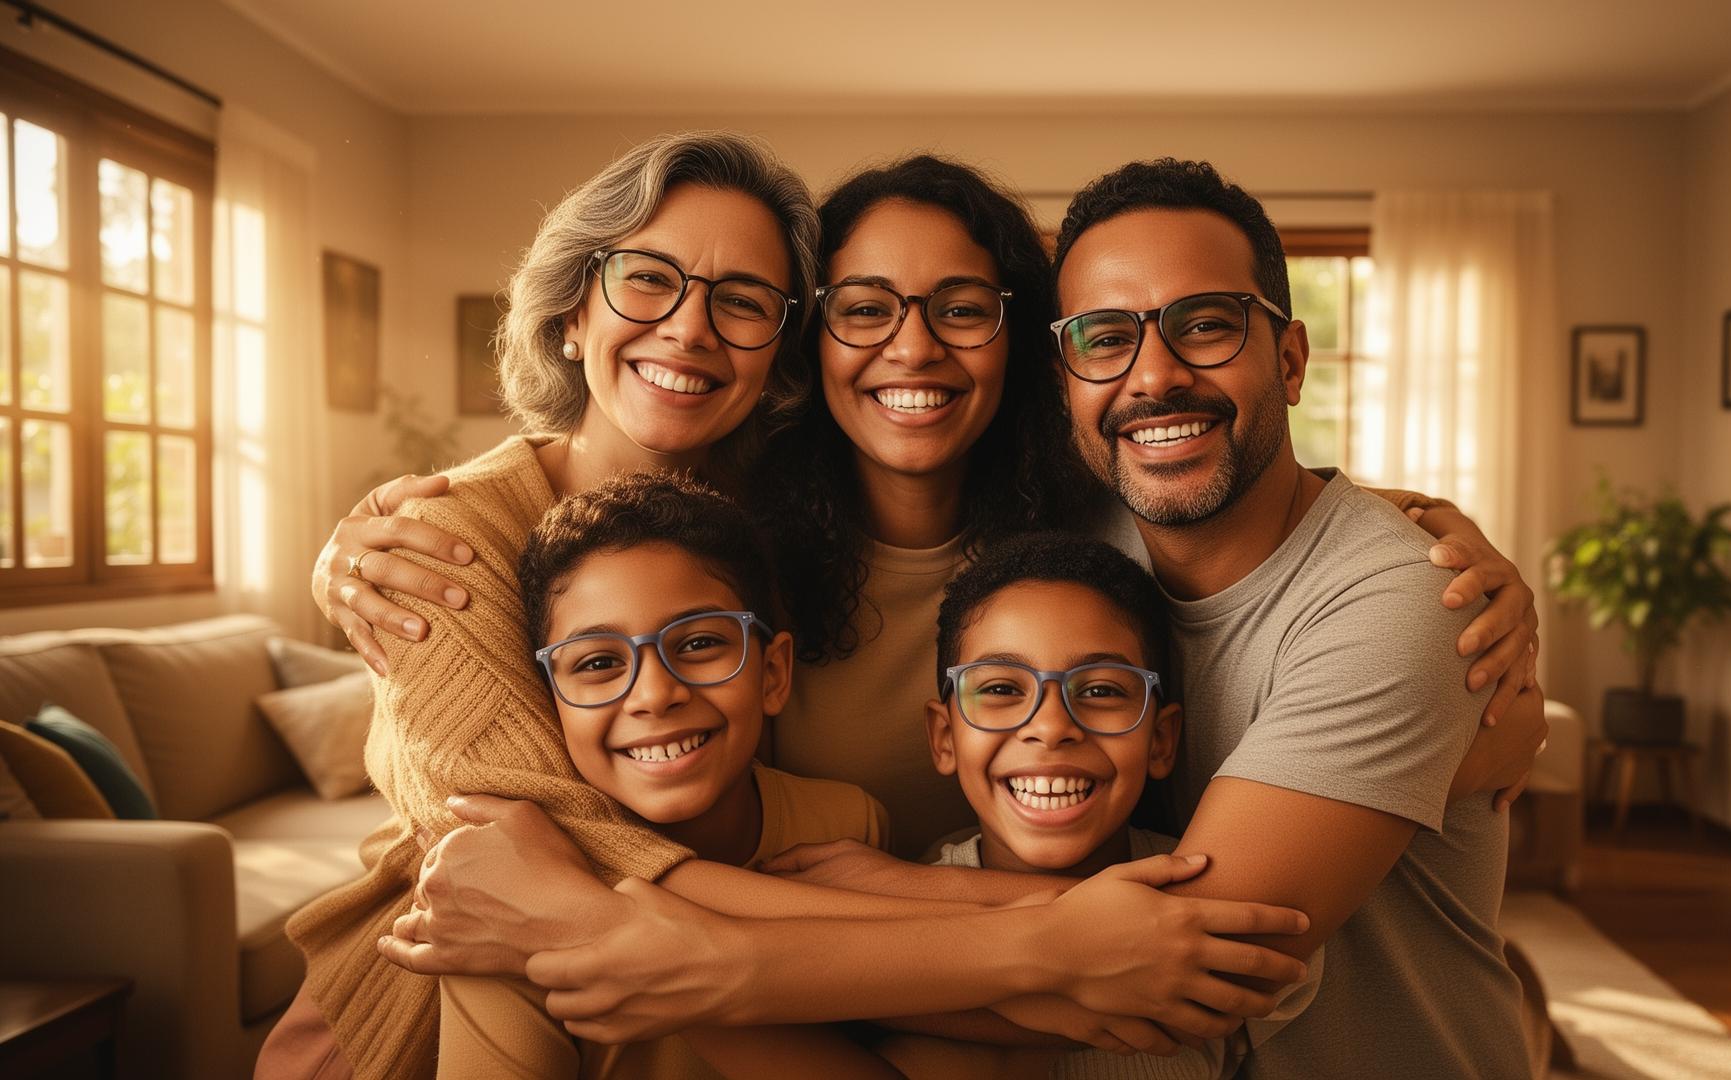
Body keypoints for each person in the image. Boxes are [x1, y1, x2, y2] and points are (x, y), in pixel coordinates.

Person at [268, 135, 1314, 1080]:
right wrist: (1051, 934)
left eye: (740, 300)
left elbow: (1238, 502)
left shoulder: (1061, 532)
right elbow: (551, 864)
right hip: (441, 1015)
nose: (911, 349)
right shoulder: (465, 548)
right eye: (865, 308)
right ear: (572, 308)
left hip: (805, 1016)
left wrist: (1401, 526)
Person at [1042, 159, 1541, 1077]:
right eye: (1105, 337)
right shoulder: (1072, 557)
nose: (1153, 375)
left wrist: (784, 950)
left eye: (1204, 325)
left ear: (1292, 358)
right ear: (1066, 379)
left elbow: (1188, 959)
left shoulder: (1407, 599)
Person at [437, 470, 906, 1080]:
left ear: (773, 674)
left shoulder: (847, 826)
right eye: (599, 662)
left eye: (699, 644)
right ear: (549, 700)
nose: (654, 695)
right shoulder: (504, 899)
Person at [876, 531, 1323, 1080]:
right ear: (944, 736)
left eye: (1101, 690)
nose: (1050, 727)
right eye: (999, 689)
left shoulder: (1230, 899)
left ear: (1161, 740)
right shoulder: (889, 922)